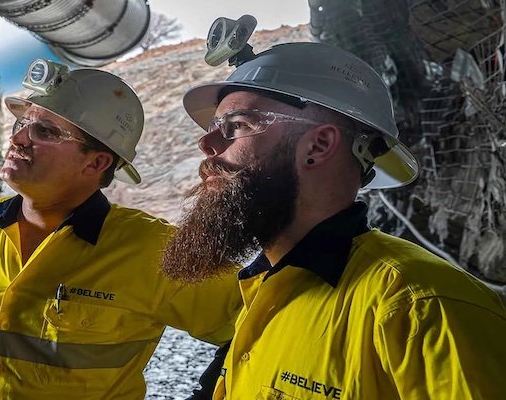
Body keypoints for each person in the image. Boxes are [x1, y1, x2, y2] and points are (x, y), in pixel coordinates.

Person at [162, 41, 506, 399]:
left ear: (319, 145)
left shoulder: (422, 306)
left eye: (237, 125)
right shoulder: (264, 284)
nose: (207, 144)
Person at [0, 59, 241, 400]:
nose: (18, 140)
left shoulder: (154, 248)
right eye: (22, 124)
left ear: (97, 162)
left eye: (45, 131)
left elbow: (253, 321)